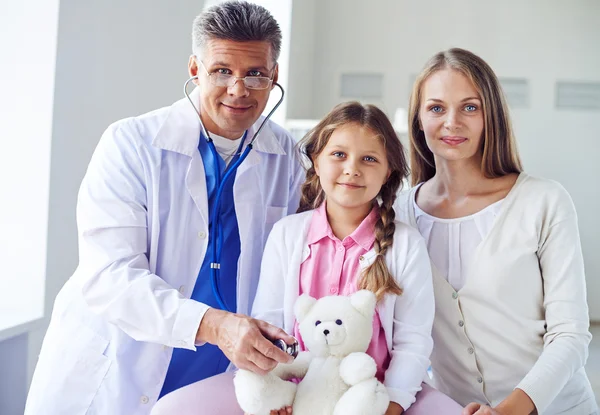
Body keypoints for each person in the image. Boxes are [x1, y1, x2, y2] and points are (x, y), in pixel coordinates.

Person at [25, 2, 305, 414]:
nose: (239, 89)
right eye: (222, 71)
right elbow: (109, 276)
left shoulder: (285, 156)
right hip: (119, 367)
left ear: (274, 75)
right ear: (196, 70)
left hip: (217, 376)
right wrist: (213, 324)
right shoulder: (132, 143)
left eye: (255, 73)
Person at [151, 102, 464, 415]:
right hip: (295, 384)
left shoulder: (406, 244)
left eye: (369, 159)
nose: (352, 168)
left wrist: (391, 405)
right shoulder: (287, 234)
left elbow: (413, 342)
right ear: (316, 160)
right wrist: (277, 398)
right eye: (339, 155)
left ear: (388, 172)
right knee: (171, 409)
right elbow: (270, 324)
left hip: (375, 392)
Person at [394, 48, 598, 415]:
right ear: (418, 120)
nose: (452, 122)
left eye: (470, 107)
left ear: (492, 116)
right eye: (436, 108)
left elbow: (571, 334)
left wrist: (510, 410)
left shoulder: (544, 201)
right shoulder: (398, 215)